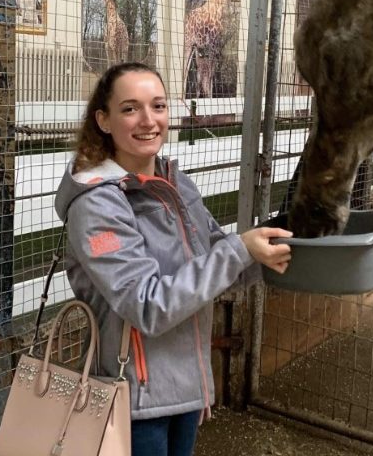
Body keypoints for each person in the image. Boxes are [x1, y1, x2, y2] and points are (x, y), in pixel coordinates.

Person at [54, 62, 292, 456]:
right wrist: (239, 250)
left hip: (186, 387)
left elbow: (217, 266)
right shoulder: (96, 205)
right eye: (130, 108)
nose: (148, 120)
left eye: (158, 106)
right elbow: (147, 305)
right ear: (104, 120)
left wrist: (267, 254)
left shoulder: (176, 184)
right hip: (132, 398)